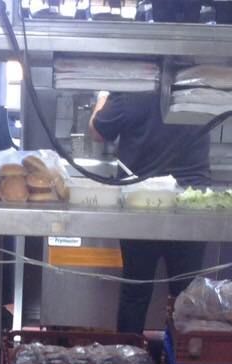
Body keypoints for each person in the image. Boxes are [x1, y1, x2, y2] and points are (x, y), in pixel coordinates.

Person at [89, 91, 211, 333]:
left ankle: (129, 354)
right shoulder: (197, 86)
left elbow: (98, 131)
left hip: (142, 203)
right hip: (191, 203)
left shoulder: (134, 88)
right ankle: (183, 355)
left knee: (135, 291)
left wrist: (103, 95)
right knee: (186, 295)